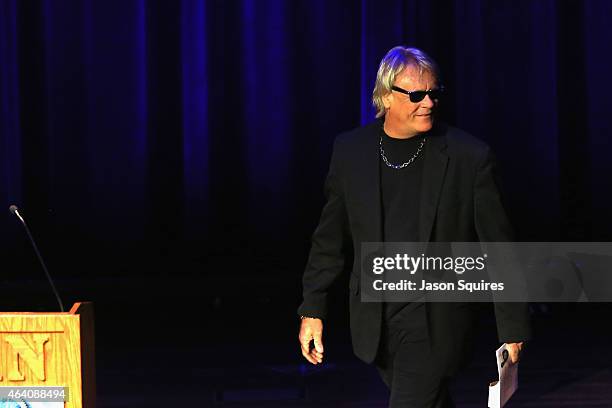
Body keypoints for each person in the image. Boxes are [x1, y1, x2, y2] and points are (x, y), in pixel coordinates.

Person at [297, 46, 531, 407]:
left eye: (434, 94)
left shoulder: (468, 157)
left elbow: (499, 247)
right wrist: (313, 308)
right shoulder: (351, 152)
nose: (429, 103)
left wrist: (513, 327)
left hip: (435, 320)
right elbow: (329, 239)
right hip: (375, 321)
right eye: (417, 95)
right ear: (386, 97)